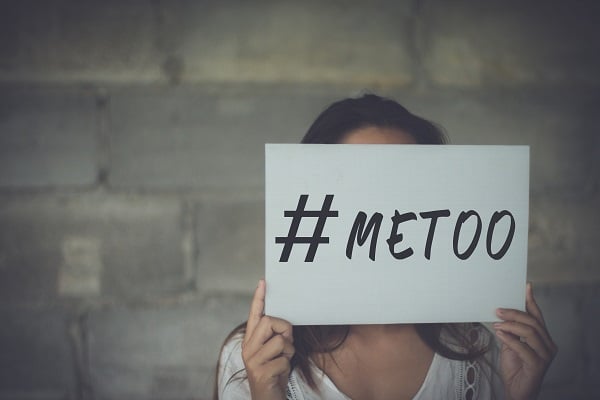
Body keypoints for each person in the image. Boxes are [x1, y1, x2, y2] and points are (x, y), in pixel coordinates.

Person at [214, 94, 557, 400]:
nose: (382, 212)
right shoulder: (255, 358)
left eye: (402, 186)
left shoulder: (482, 354)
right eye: (357, 186)